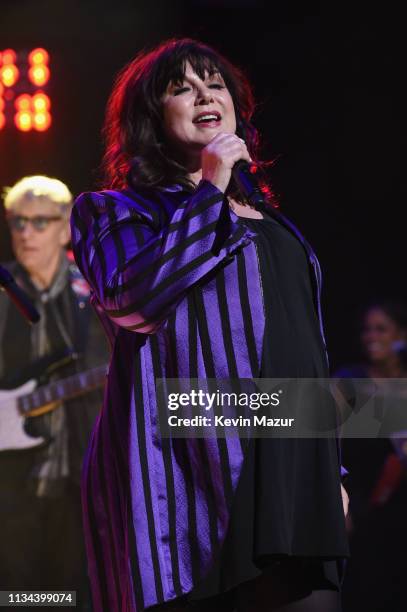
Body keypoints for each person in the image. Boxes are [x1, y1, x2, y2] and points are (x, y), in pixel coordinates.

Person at [70, 38, 350, 612]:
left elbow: (304, 348)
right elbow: (132, 302)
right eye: (182, 88)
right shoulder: (116, 210)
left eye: (214, 83)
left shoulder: (273, 220)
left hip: (295, 462)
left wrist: (331, 467)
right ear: (151, 117)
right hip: (194, 472)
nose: (205, 94)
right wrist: (210, 186)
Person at [0, 176, 109, 609]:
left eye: (39, 222)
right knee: (25, 600)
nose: (26, 233)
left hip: (81, 483)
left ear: (66, 227)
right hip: (14, 490)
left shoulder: (98, 295)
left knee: (79, 596)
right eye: (18, 222)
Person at [335, 300, 407, 612]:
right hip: (363, 509)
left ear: (402, 335)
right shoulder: (350, 380)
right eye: (367, 329)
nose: (371, 336)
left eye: (381, 328)